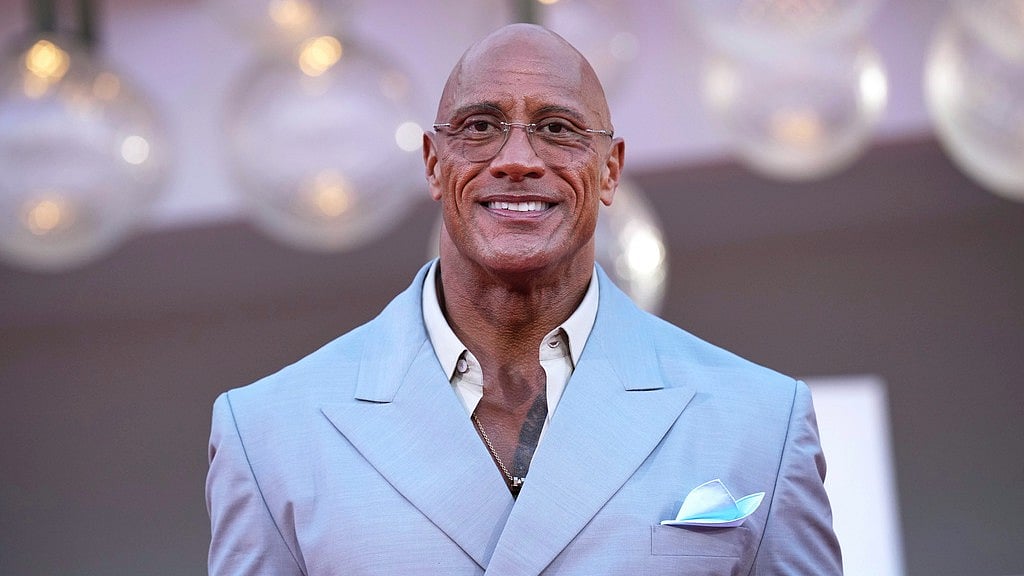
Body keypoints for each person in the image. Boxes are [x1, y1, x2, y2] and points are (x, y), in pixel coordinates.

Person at [206, 23, 842, 575]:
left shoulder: (759, 422)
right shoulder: (269, 434)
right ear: (434, 164)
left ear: (610, 169)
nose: (516, 160)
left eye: (558, 128)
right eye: (480, 126)